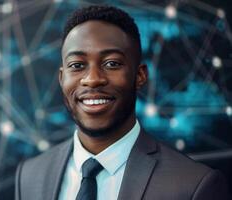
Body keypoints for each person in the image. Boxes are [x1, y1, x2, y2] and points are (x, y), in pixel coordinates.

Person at [15, 5, 231, 200]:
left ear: (140, 76)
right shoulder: (30, 176)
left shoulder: (194, 186)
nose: (92, 79)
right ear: (62, 79)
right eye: (77, 65)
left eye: (111, 63)